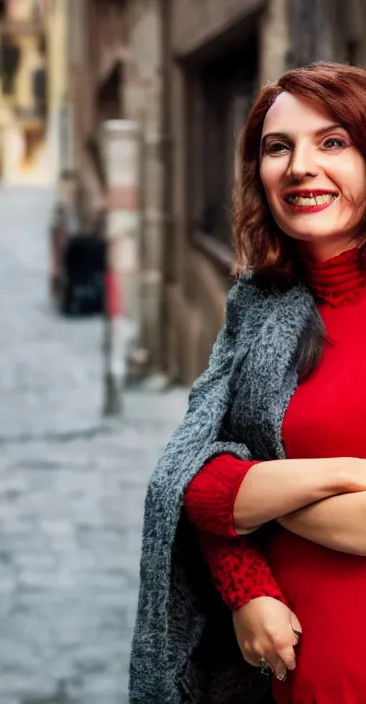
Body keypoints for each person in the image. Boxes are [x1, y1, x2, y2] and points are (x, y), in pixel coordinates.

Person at [130, 61, 366, 704]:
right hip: (287, 670)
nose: (299, 167)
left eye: (334, 142)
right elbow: (192, 482)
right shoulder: (260, 307)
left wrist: (261, 498)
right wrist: (247, 582)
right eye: (277, 147)